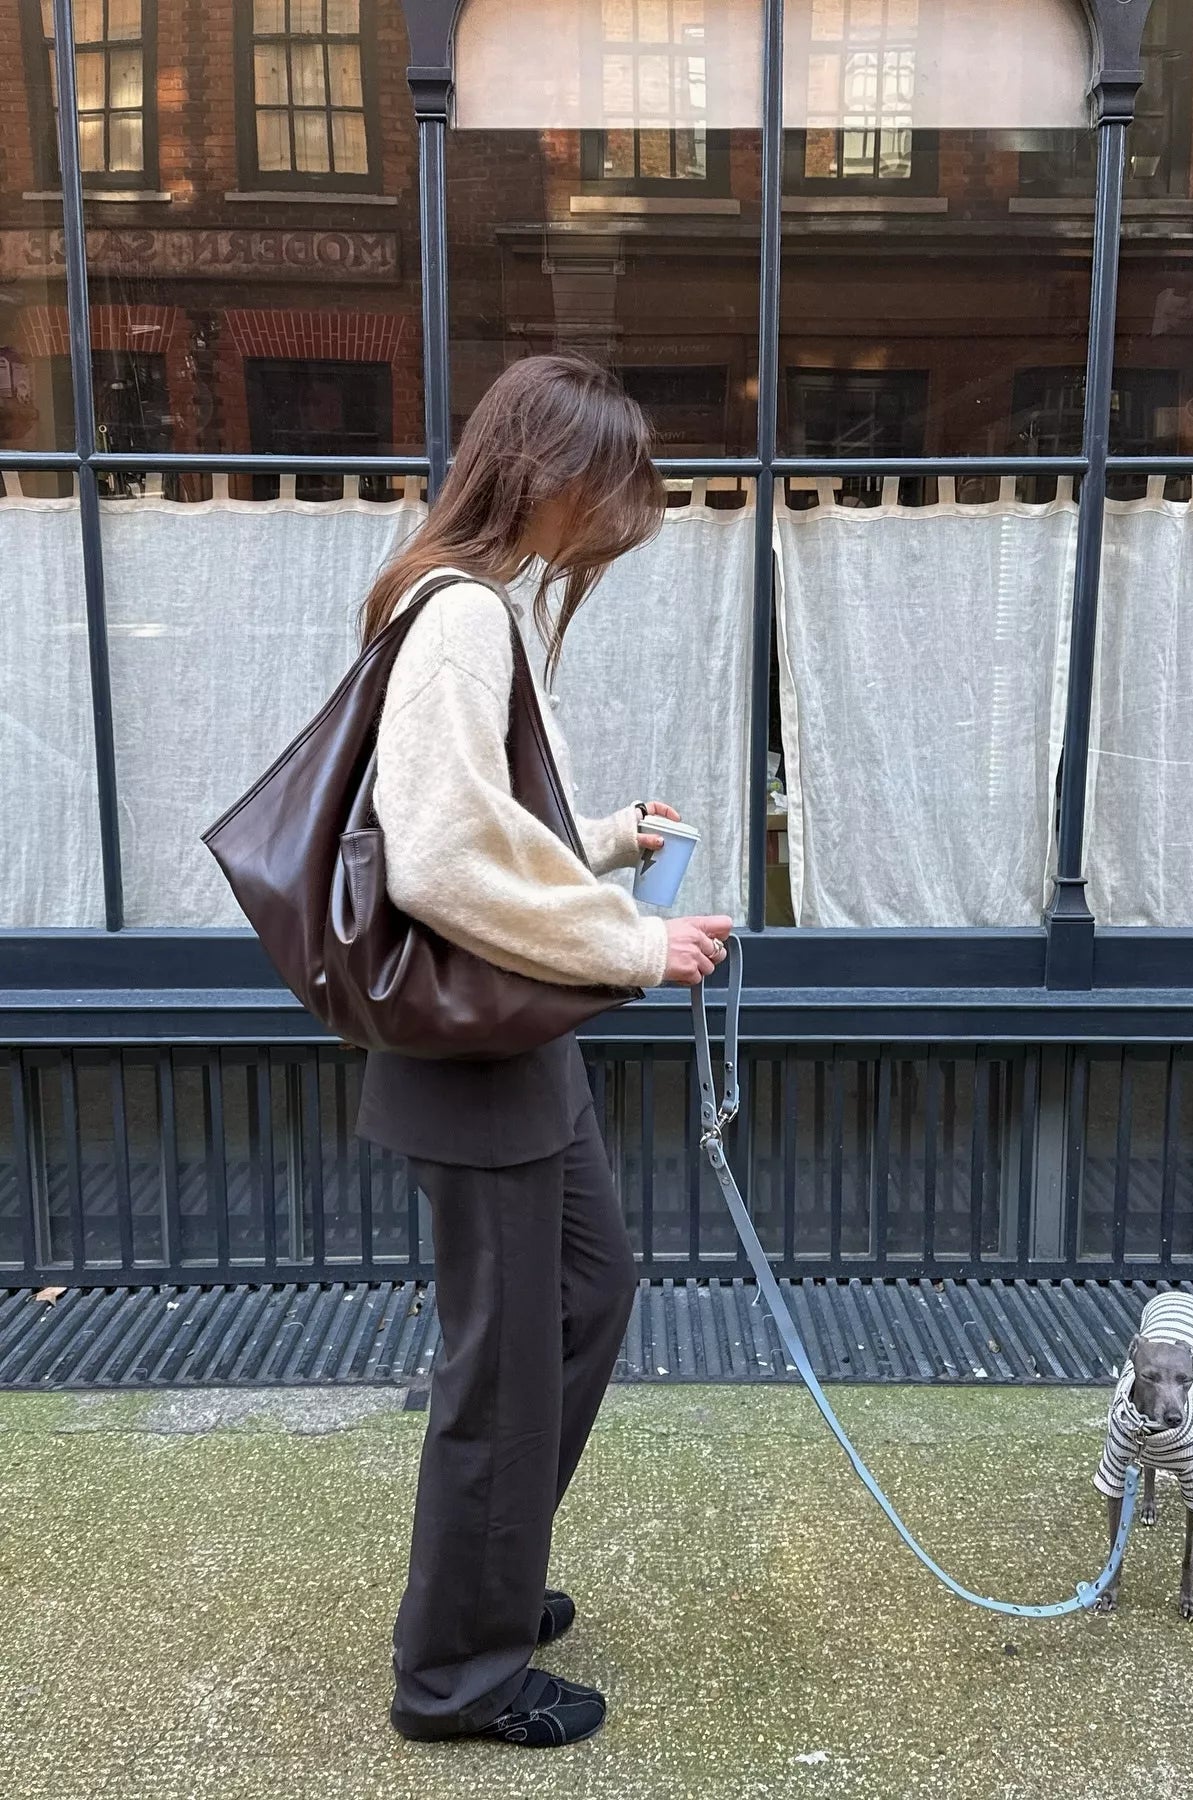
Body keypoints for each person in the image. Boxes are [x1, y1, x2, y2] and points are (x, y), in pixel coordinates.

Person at [354, 353, 733, 1750]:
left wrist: (605, 846)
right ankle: (455, 1675)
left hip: (512, 1046)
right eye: (615, 491)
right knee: (504, 1365)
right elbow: (439, 859)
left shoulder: (469, 604)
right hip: (483, 1050)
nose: (621, 525)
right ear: (554, 471)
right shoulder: (461, 615)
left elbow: (480, 838)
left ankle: (486, 1580)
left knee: (586, 1294)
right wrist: (634, 943)